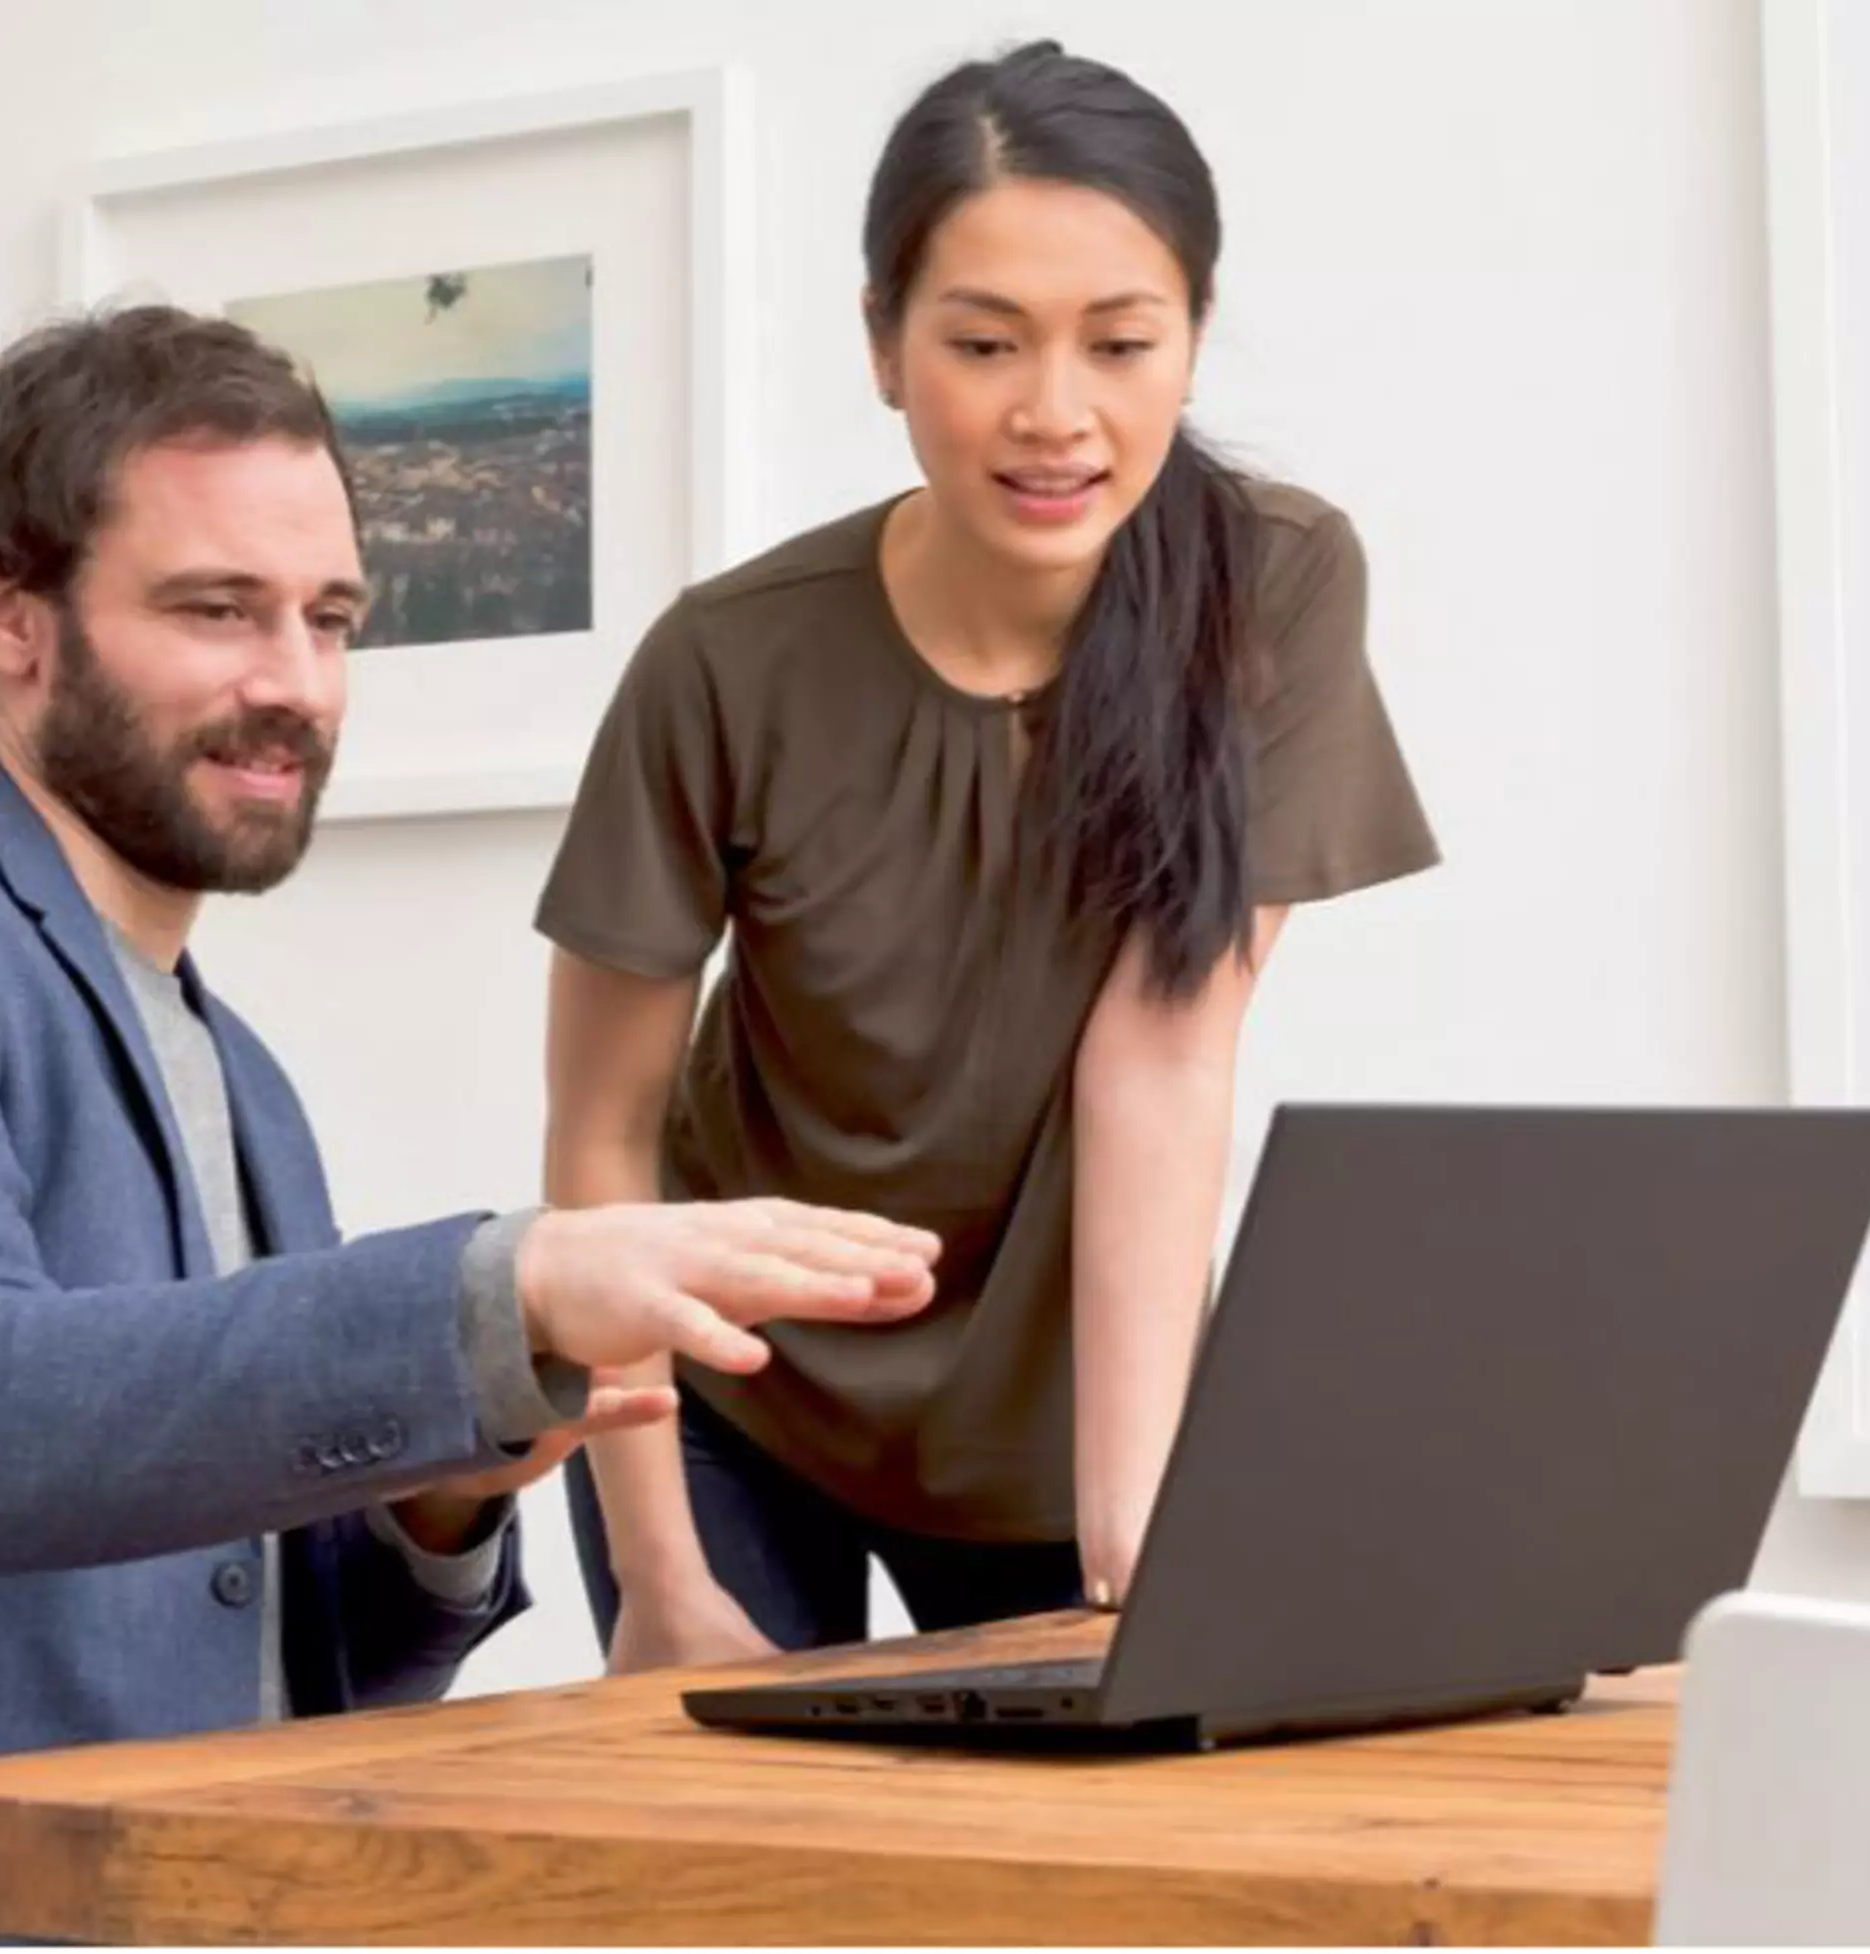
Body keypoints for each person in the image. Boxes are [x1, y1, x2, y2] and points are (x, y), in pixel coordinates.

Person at [0, 305, 941, 1945]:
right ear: (7, 610)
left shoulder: (245, 1075)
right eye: (218, 610)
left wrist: (444, 1500)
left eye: (330, 619)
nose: (293, 684)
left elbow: (291, 1663)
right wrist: (506, 1285)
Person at [538, 40, 1440, 1673]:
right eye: (982, 341)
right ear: (884, 347)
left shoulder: (1273, 590)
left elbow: (1163, 1063)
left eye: (1119, 342)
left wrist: (1135, 1538)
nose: (1055, 414)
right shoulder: (727, 662)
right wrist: (660, 1574)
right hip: (742, 1398)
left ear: (1193, 339)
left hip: (1078, 1397)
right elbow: (604, 1135)